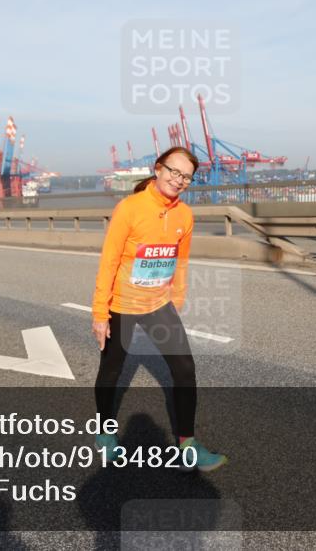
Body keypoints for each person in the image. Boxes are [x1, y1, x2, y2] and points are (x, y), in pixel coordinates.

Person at [90, 146, 227, 472]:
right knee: (112, 370)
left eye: (186, 177)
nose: (178, 180)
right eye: (174, 171)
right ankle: (105, 434)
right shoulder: (130, 208)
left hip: (159, 304)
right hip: (123, 303)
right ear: (158, 168)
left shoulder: (184, 215)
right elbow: (108, 260)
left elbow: (180, 260)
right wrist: (100, 312)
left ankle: (187, 444)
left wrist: (176, 298)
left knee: (184, 370)